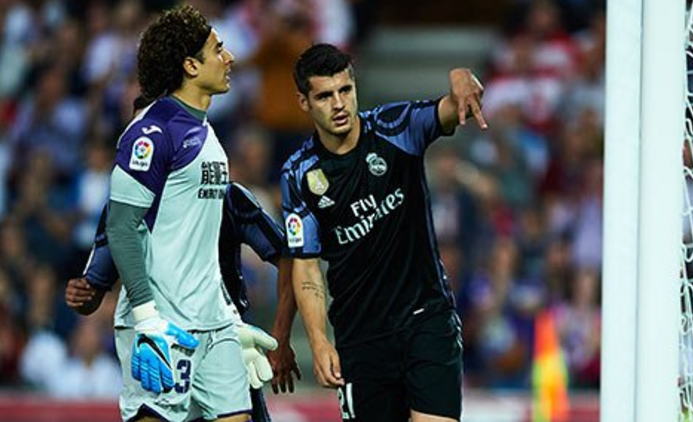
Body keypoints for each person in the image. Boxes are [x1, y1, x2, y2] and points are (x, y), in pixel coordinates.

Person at [281, 43, 487, 422]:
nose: (339, 103)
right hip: (361, 336)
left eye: (346, 90)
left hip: (426, 318)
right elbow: (306, 266)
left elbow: (448, 111)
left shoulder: (398, 128)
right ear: (304, 102)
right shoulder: (299, 174)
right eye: (325, 96)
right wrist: (318, 339)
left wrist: (461, 77)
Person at [103, 5, 251, 421]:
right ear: (190, 65)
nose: (230, 58)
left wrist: (226, 314)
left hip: (213, 323)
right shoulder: (151, 132)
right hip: (162, 323)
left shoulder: (206, 130)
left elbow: (195, 237)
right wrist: (147, 318)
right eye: (217, 49)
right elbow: (121, 225)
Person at [66, 180, 301, 422]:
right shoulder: (126, 206)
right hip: (162, 346)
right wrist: (82, 295)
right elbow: (92, 292)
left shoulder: (227, 197)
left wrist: (281, 338)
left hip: (223, 341)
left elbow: (288, 258)